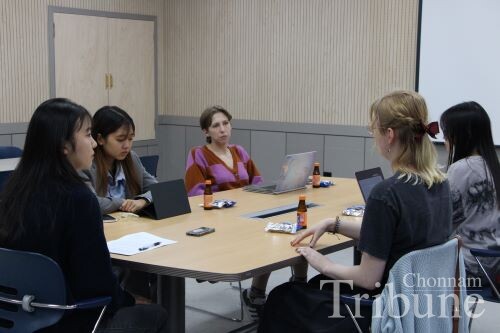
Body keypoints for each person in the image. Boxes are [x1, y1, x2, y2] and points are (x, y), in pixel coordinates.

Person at [258, 91, 452, 332]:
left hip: (382, 308)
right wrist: (334, 223)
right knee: (317, 286)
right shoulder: (440, 184)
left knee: (282, 298)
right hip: (421, 301)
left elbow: (368, 279)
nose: (374, 137)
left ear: (389, 135)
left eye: (374, 130)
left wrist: (322, 262)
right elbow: (394, 233)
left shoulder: (386, 193)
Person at [0, 98, 167, 332]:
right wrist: (128, 300)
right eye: (88, 135)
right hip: (72, 319)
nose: (94, 144)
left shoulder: (13, 190)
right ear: (64, 145)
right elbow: (97, 283)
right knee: (156, 313)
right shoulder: (78, 198)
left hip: (17, 316)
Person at [440, 101, 500, 284]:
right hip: (493, 261)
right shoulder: (492, 165)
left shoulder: (461, 169)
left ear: (460, 136)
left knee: (405, 262)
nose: (445, 142)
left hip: (471, 266)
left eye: (447, 135)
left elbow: (441, 224)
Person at [81, 105, 157, 214]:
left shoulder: (132, 158)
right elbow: (90, 202)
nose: (127, 145)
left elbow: (158, 189)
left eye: (130, 139)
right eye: (120, 139)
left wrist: (143, 200)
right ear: (100, 139)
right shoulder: (87, 163)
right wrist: (121, 202)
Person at [185, 105, 263, 196]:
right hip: (216, 209)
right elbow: (195, 193)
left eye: (225, 123)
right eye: (216, 126)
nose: (222, 129)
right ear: (206, 132)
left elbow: (258, 182)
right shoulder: (198, 154)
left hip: (247, 208)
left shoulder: (239, 151)